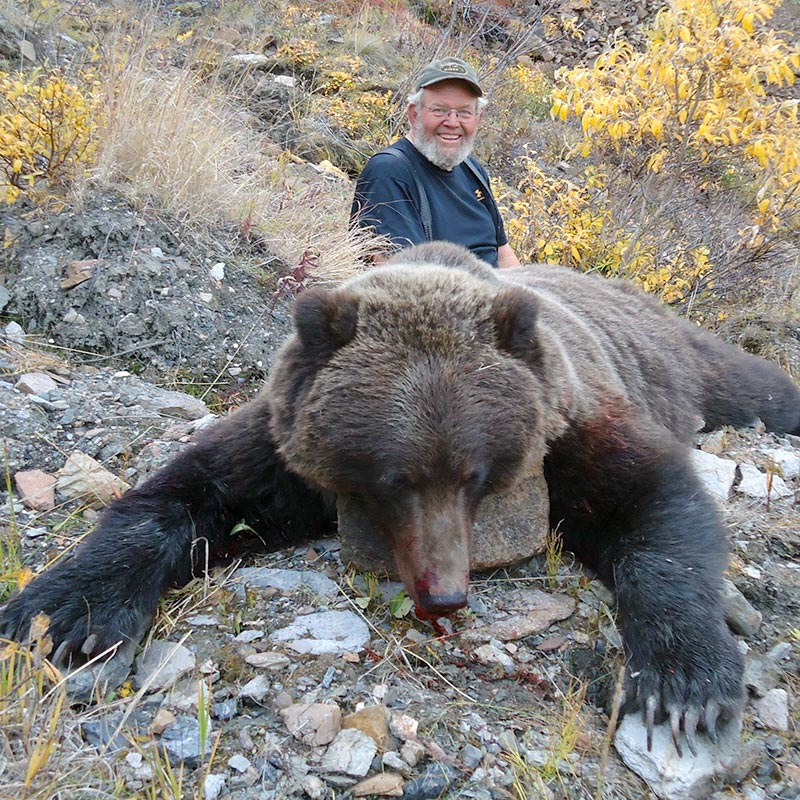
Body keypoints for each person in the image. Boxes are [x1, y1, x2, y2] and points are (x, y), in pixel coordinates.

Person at [350, 56, 520, 269]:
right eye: (439, 110)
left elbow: (503, 255)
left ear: (478, 119)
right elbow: (404, 279)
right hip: (439, 299)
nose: (452, 122)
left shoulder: (473, 170)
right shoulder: (389, 173)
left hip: (495, 294)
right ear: (414, 114)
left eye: (464, 113)